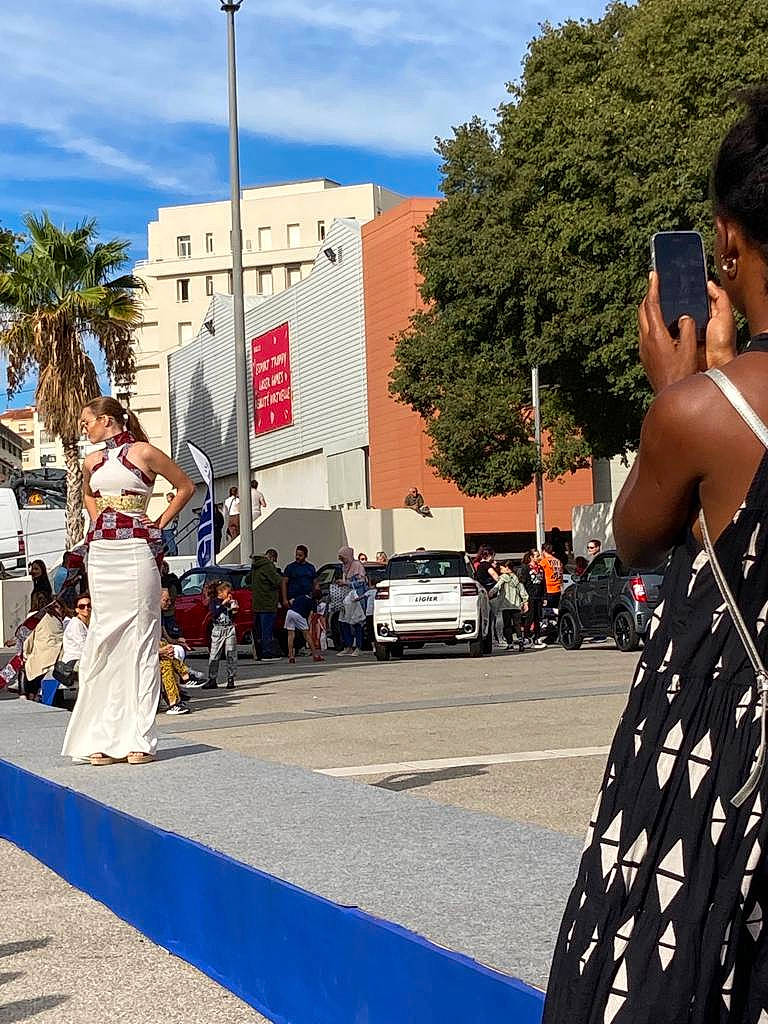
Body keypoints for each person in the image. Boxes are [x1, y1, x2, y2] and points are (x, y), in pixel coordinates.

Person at [542, 87, 768, 1024]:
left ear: (726, 239)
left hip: (724, 768)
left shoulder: (707, 412)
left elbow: (637, 535)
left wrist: (682, 387)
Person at [61, 397, 194, 766]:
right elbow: (89, 494)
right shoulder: (91, 461)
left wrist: (158, 523)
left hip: (136, 550)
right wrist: (98, 519)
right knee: (103, 637)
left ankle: (139, 737)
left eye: (86, 422)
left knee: (140, 637)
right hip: (102, 551)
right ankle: (99, 737)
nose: (83, 428)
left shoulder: (145, 452)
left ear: (105, 420)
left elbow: (185, 486)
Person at [22, 603, 65, 700]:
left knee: (28, 668)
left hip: (42, 657)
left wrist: (26, 654)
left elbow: (28, 638)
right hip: (55, 657)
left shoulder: (35, 617)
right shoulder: (55, 618)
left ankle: (27, 694)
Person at [203, 580, 238, 689]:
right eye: (228, 593)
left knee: (231, 653)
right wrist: (223, 604)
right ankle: (212, 678)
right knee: (214, 655)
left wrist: (234, 609)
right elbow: (214, 613)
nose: (229, 595)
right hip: (218, 630)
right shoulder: (215, 602)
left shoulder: (231, 601)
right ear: (220, 592)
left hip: (229, 629)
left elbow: (234, 615)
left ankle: (231, 678)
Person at [250, 550, 284, 660]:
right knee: (267, 630)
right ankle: (267, 652)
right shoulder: (268, 566)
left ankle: (259, 652)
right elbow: (277, 581)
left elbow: (247, 580)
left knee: (259, 630)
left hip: (257, 604)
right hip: (268, 603)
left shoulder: (254, 567)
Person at [489, 563, 528, 652]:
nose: (501, 570)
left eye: (503, 568)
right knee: (517, 625)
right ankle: (520, 641)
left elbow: (497, 586)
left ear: (508, 568)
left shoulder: (503, 577)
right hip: (517, 605)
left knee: (507, 625)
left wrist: (491, 592)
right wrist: (525, 602)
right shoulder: (517, 578)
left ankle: (510, 644)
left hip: (506, 605)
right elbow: (522, 591)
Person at [336, 546, 367, 655]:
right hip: (346, 598)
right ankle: (348, 646)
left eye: (342, 557)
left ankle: (358, 647)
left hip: (356, 598)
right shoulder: (344, 567)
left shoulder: (357, 566)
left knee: (357, 622)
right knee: (344, 621)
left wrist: (347, 583)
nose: (342, 560)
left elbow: (361, 583)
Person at [285, 589, 324, 664]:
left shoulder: (301, 596)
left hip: (290, 612)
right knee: (307, 635)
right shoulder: (313, 602)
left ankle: (291, 656)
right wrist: (308, 624)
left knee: (290, 634)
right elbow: (312, 614)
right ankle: (315, 655)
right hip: (299, 615)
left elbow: (291, 601)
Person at [518, 550, 545, 646]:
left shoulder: (540, 568)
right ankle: (526, 636)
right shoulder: (526, 569)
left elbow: (543, 583)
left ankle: (537, 637)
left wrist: (544, 597)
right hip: (530, 596)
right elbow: (522, 584)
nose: (539, 558)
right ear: (531, 557)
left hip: (539, 596)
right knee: (530, 617)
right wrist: (524, 598)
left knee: (538, 618)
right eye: (537, 556)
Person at [61, 593, 91, 668]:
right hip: (73, 662)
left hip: (82, 660)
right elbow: (84, 645)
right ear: (77, 610)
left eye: (89, 605)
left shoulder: (87, 623)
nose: (86, 608)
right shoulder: (76, 623)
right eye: (82, 606)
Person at [540, 542, 564, 610]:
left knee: (547, 612)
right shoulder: (558, 561)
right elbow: (561, 576)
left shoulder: (544, 562)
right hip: (558, 589)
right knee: (555, 610)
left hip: (548, 590)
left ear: (544, 551)